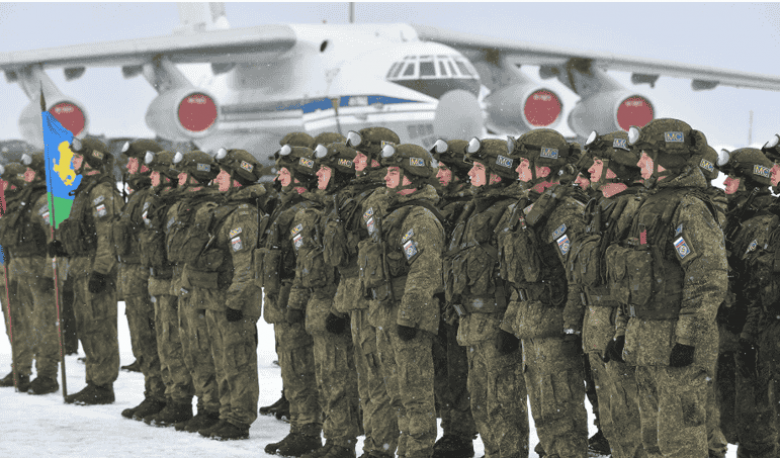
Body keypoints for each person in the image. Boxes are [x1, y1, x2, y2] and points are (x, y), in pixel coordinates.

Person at [605, 119, 727, 458]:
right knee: (653, 443)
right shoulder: (648, 204)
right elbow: (630, 278)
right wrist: (622, 332)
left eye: (647, 155)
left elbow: (707, 277)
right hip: (645, 344)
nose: (640, 162)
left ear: (668, 160)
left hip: (675, 346)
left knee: (680, 444)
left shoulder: (688, 208)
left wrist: (687, 339)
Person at [498, 128, 590, 458]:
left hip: (554, 328)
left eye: (525, 163)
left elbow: (576, 276)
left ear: (545, 168)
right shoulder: (525, 209)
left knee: (561, 413)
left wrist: (572, 326)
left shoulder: (565, 213)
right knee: (544, 414)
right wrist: (509, 323)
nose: (519, 169)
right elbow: (519, 277)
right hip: (531, 327)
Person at [358, 142, 444, 458]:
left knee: (414, 392)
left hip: (408, 316)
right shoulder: (394, 211)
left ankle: (418, 450)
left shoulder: (420, 217)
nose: (386, 177)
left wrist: (408, 317)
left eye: (394, 172)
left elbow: (425, 271)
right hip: (386, 313)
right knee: (396, 391)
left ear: (412, 176)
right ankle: (406, 449)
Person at [445, 137, 529, 458]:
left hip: (497, 322)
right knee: (480, 398)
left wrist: (510, 324)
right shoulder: (473, 208)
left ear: (497, 173)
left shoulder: (508, 212)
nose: (470, 174)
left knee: (503, 400)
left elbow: (517, 274)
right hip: (472, 321)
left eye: (478, 168)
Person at [569, 131, 648, 458]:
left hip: (618, 322)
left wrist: (623, 331)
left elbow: (637, 277)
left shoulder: (634, 208)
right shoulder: (599, 207)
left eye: (599, 163)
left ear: (617, 167)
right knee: (611, 416)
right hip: (595, 320)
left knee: (629, 414)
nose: (590, 169)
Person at [322, 129, 399, 458]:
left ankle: (380, 448)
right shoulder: (356, 195)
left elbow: (373, 258)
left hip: (373, 299)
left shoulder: (381, 197)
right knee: (366, 377)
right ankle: (371, 444)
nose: (355, 161)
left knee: (377, 376)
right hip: (356, 297)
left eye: (362, 156)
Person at [285, 142, 361, 458]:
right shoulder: (324, 210)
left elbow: (353, 268)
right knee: (326, 378)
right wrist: (297, 301)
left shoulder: (347, 211)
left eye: (325, 169)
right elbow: (307, 262)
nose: (317, 174)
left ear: (340, 173)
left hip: (335, 305)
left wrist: (340, 309)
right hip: (318, 304)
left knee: (339, 378)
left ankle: (342, 442)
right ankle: (332, 439)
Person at [199, 148, 267, 440]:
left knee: (238, 362)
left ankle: (239, 419)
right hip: (220, 298)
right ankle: (227, 413)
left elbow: (246, 266)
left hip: (235, 301)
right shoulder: (227, 209)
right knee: (223, 360)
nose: (217, 178)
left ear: (238, 179)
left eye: (223, 174)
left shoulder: (243, 214)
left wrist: (236, 301)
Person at [717, 147, 779, 458]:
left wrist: (749, 337)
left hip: (753, 333)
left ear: (750, 182)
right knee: (740, 417)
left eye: (733, 176)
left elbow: (759, 289)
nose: (725, 181)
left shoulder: (761, 223)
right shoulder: (736, 218)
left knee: (757, 421)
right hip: (736, 331)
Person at [263, 144, 324, 457]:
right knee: (292, 368)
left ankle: (307, 430)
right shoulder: (285, 207)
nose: (279, 177)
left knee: (301, 370)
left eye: (285, 172)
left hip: (295, 299)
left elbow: (304, 262)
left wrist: (296, 301)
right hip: (284, 297)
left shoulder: (303, 211)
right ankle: (301, 428)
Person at [155, 151, 223, 430]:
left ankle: (211, 407)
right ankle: (193, 404)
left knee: (204, 348)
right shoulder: (181, 205)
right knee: (187, 347)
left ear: (197, 175)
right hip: (183, 283)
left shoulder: (209, 208)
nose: (178, 177)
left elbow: (191, 250)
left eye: (184, 172)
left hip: (202, 287)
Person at [58, 137, 121, 405]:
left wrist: (101, 271)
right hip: (81, 267)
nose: (73, 161)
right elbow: (82, 232)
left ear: (91, 160)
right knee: (87, 326)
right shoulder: (85, 190)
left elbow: (108, 236)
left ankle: (102, 385)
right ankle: (94, 381)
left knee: (99, 326)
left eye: (78, 157)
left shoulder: (101, 192)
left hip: (94, 267)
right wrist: (63, 246)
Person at [136, 150, 195, 427]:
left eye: (156, 173)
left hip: (172, 281)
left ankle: (179, 400)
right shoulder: (159, 202)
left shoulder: (178, 205)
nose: (151, 177)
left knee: (174, 342)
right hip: (159, 280)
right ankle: (167, 396)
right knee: (163, 341)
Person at [429, 139, 478, 458]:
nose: (439, 174)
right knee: (444, 369)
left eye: (445, 169)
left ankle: (460, 434)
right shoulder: (443, 204)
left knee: (460, 371)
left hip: (459, 299)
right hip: (442, 297)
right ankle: (451, 429)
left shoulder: (468, 207)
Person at [115, 140, 166, 419]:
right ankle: (153, 392)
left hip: (142, 274)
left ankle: (161, 395)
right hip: (132, 274)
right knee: (141, 337)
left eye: (133, 161)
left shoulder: (149, 196)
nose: (128, 166)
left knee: (150, 336)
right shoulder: (137, 195)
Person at [0, 161, 40, 392]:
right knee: (13, 323)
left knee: (17, 322)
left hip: (11, 269)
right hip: (7, 267)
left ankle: (22, 369)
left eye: (5, 181)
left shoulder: (19, 204)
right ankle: (21, 367)